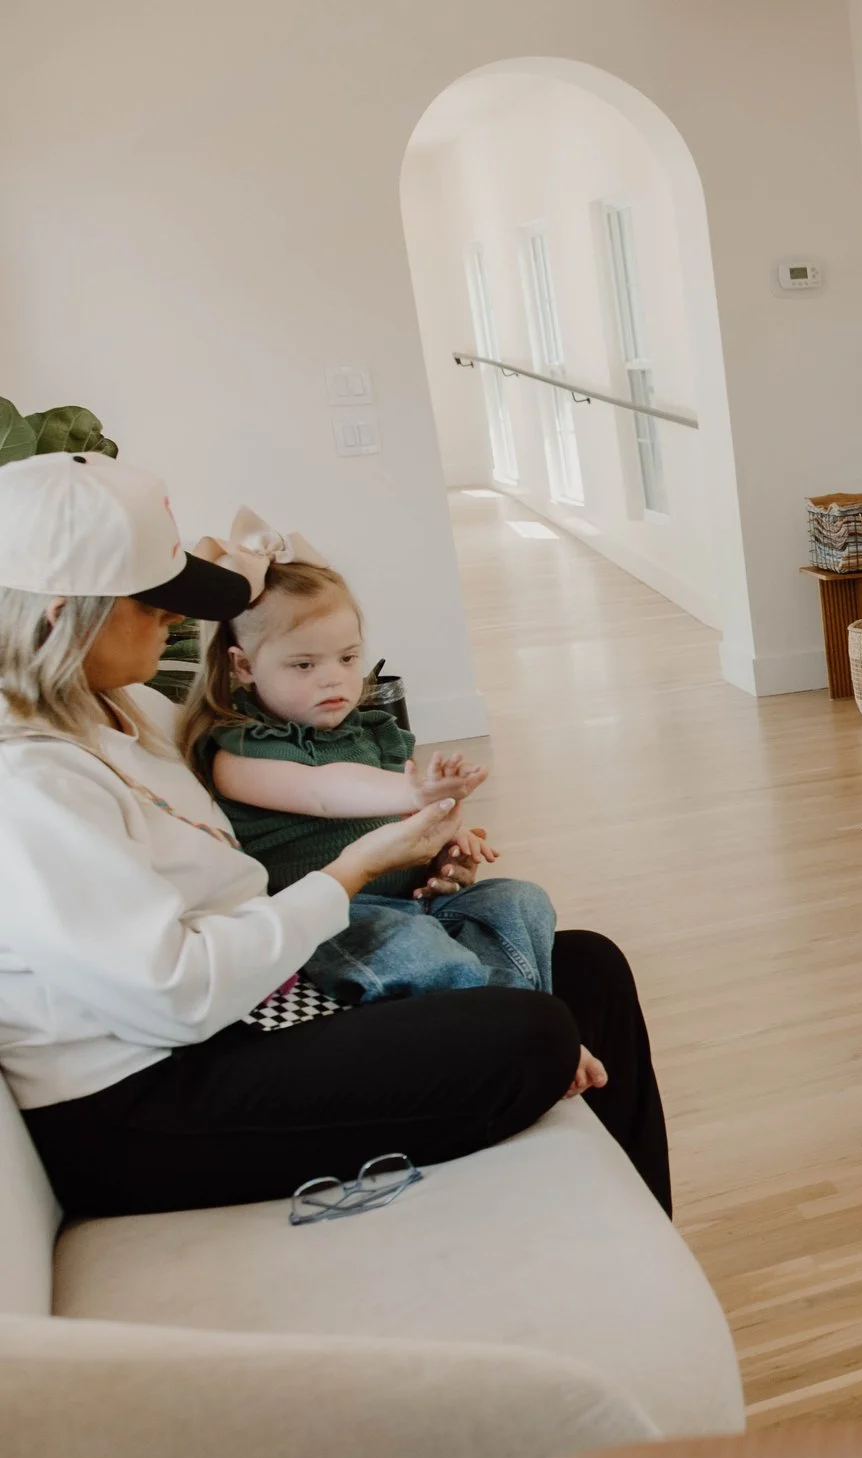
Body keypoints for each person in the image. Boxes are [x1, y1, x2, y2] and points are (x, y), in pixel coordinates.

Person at [0, 453, 670, 1216]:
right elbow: (176, 992)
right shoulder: (27, 782)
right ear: (63, 616)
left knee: (589, 967)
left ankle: (633, 1227)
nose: (176, 621)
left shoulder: (112, 707)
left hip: (241, 1007)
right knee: (533, 1031)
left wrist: (416, 864)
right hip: (145, 1098)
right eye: (155, 605)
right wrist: (355, 869)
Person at [177, 509, 562, 1009]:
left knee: (519, 899)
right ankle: (513, 1018)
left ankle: (517, 1013)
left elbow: (399, 821)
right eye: (304, 664)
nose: (333, 677)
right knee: (415, 947)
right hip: (337, 919)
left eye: (347, 657)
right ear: (244, 665)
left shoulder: (374, 731)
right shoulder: (238, 751)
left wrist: (446, 837)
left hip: (414, 902)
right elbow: (324, 790)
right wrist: (414, 792)